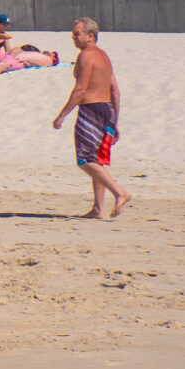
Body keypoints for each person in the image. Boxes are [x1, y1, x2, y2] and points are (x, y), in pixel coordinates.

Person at [51, 18, 130, 219]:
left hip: (91, 110)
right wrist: (114, 121)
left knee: (85, 160)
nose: (73, 37)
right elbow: (116, 92)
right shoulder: (104, 56)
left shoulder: (86, 56)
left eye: (76, 34)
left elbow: (81, 89)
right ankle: (98, 209)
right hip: (106, 110)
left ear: (90, 36)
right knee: (97, 161)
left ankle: (120, 192)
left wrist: (62, 115)